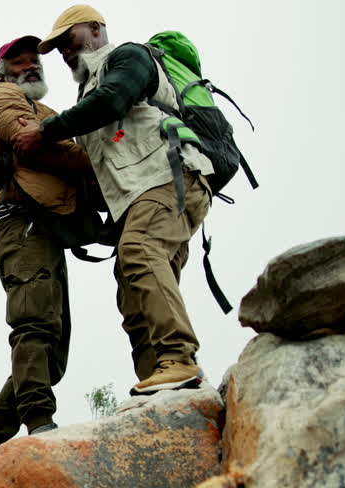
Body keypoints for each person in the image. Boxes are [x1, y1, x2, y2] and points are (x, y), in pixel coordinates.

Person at [13, 5, 214, 396]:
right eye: (58, 48)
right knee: (133, 291)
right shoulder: (89, 92)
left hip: (169, 179)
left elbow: (114, 100)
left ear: (95, 28)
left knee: (140, 250)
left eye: (68, 39)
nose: (64, 51)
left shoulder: (128, 57)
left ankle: (179, 358)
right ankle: (163, 385)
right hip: (140, 198)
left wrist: (45, 131)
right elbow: (103, 163)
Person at [0, 35, 94, 481]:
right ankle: (40, 424)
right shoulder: (1, 97)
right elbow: (29, 143)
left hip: (45, 227)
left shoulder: (44, 110)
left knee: (54, 351)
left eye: (35, 60)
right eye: (19, 61)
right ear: (2, 71)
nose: (31, 65)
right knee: (35, 324)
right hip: (18, 221)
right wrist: (95, 161)